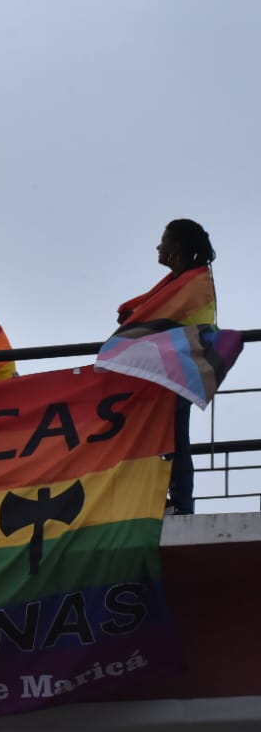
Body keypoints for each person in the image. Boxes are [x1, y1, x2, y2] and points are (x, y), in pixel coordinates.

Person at [113, 219, 217, 516]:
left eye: (164, 239)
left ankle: (180, 503)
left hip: (178, 367)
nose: (158, 246)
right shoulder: (182, 281)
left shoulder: (195, 282)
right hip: (164, 369)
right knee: (164, 435)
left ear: (177, 247)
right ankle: (166, 500)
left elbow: (159, 318)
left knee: (174, 437)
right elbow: (151, 314)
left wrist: (134, 322)